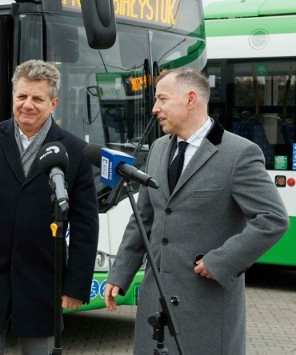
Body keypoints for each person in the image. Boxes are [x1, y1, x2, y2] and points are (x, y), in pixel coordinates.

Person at [104, 68, 289, 354]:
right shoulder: (157, 149)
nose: (155, 109)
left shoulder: (238, 153)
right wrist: (120, 274)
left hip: (207, 309)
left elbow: (273, 219)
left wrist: (222, 261)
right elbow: (144, 218)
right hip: (155, 306)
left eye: (162, 99)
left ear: (190, 99)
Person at [0, 59, 99, 354]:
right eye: (21, 96)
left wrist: (76, 285)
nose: (28, 105)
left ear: (54, 103)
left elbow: (86, 224)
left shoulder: (74, 151)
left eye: (37, 98)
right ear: (13, 97)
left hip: (43, 281)